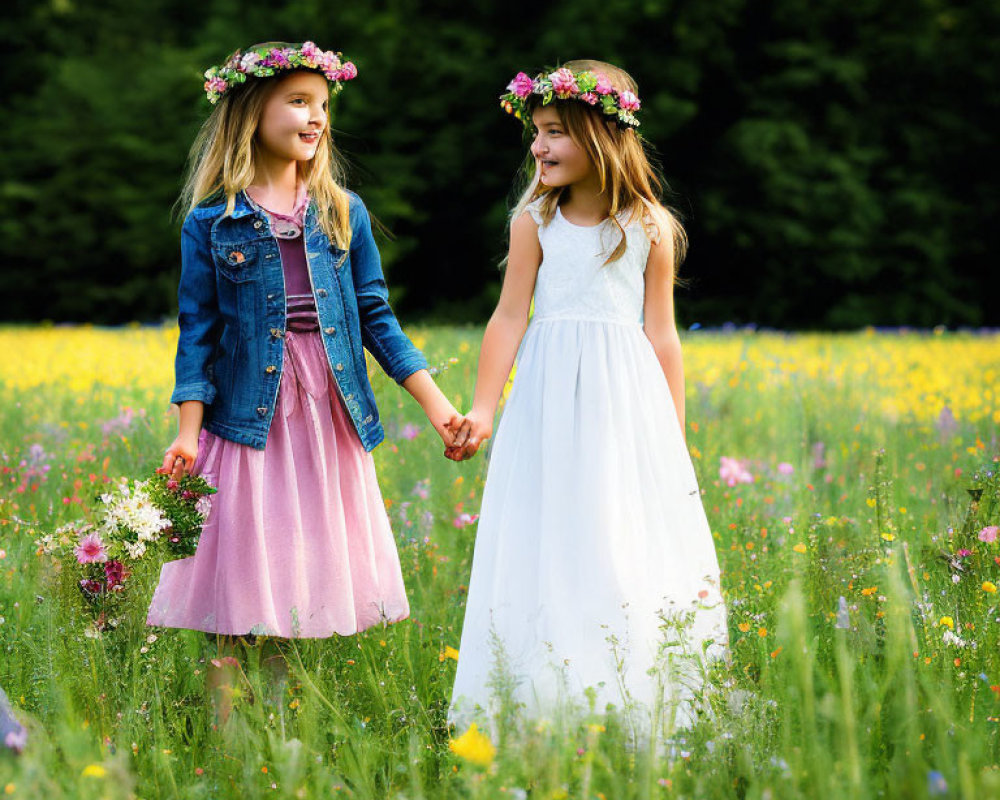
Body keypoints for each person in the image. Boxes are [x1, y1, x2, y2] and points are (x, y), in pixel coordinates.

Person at [145, 41, 463, 721]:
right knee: (240, 581)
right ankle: (231, 739)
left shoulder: (342, 210)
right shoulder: (210, 222)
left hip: (326, 410)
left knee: (292, 576)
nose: (315, 117)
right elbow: (196, 333)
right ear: (251, 111)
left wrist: (438, 407)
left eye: (322, 105)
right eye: (298, 101)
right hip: (247, 418)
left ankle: (277, 737)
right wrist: (186, 434)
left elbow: (377, 316)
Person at [448, 61, 728, 731]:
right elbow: (510, 315)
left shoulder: (650, 227)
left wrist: (674, 439)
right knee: (548, 535)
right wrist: (484, 407)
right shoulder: (534, 222)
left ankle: (630, 698)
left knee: (615, 535)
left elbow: (661, 335)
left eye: (554, 132)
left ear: (602, 135)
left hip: (623, 407)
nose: (538, 148)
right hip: (547, 404)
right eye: (536, 133)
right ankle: (538, 700)